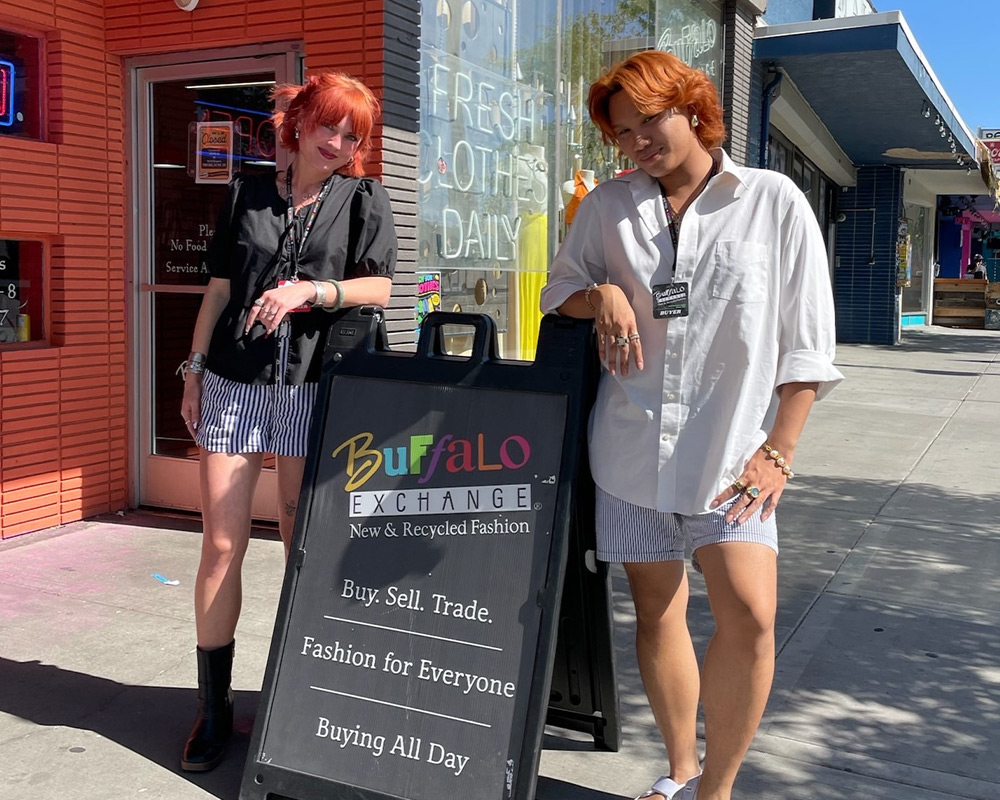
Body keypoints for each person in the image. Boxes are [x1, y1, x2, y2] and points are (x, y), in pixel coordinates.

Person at [539, 51, 843, 800]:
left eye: (651, 120)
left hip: (733, 452)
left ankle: (719, 789)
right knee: (656, 610)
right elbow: (557, 291)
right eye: (622, 130)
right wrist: (602, 291)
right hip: (632, 446)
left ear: (694, 108)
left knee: (750, 613)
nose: (639, 139)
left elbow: (807, 343)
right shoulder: (607, 208)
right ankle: (678, 773)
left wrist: (782, 447)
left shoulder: (772, 201)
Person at [178, 72, 397, 772]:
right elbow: (218, 287)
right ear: (299, 123)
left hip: (311, 385)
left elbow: (382, 286)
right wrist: (192, 367)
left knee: (300, 540)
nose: (338, 143)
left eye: (353, 135)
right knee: (220, 544)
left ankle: (306, 690)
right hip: (235, 382)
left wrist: (315, 290)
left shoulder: (363, 198)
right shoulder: (245, 191)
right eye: (329, 127)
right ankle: (214, 709)